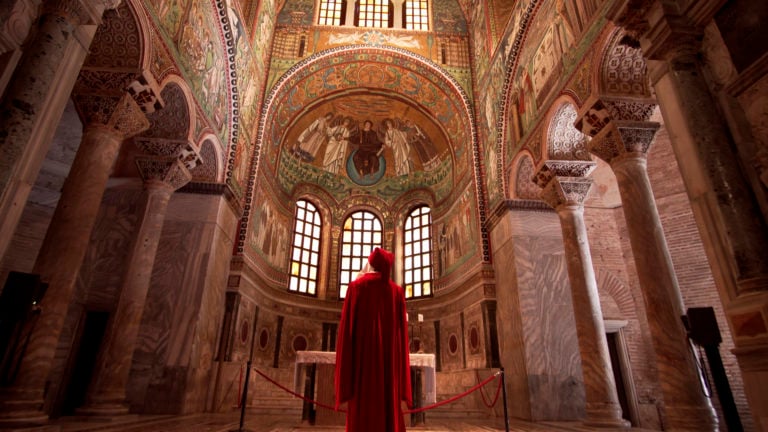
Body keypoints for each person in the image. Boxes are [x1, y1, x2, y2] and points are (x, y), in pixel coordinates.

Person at [335, 247, 412, 432]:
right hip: (388, 364)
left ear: (370, 263)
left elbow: (347, 331)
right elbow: (401, 337)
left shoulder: (355, 287)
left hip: (363, 363)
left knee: (363, 402)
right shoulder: (397, 292)